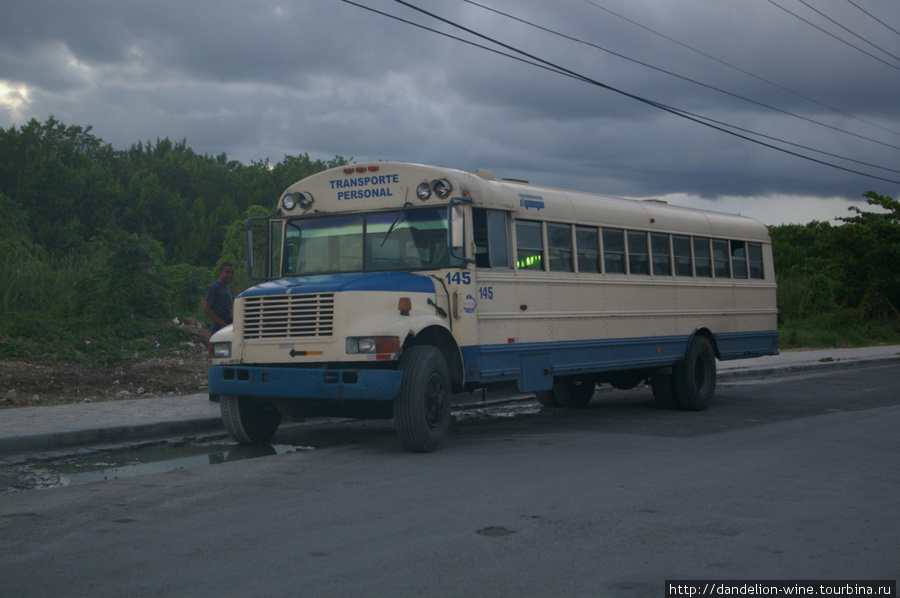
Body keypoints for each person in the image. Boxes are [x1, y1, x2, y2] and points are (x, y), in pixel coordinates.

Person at [205, 263, 235, 336]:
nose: (230, 275)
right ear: (220, 273)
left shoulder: (229, 289)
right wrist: (221, 323)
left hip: (228, 326)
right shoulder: (214, 287)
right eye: (227, 272)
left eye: (232, 273)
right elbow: (207, 309)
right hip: (218, 327)